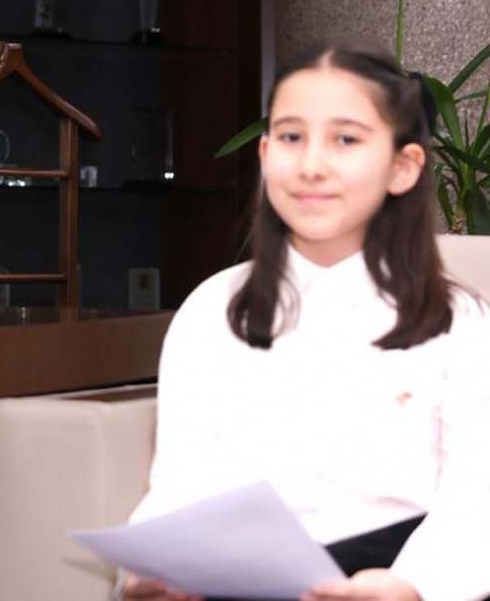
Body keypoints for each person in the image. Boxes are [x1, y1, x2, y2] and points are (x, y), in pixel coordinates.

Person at [122, 47, 489, 601]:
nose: (312, 165)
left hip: (396, 573)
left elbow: (476, 494)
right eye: (292, 137)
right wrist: (153, 570)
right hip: (238, 577)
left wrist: (411, 585)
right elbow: (181, 479)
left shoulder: (458, 321)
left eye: (346, 139)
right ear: (265, 153)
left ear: (403, 166)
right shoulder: (213, 307)